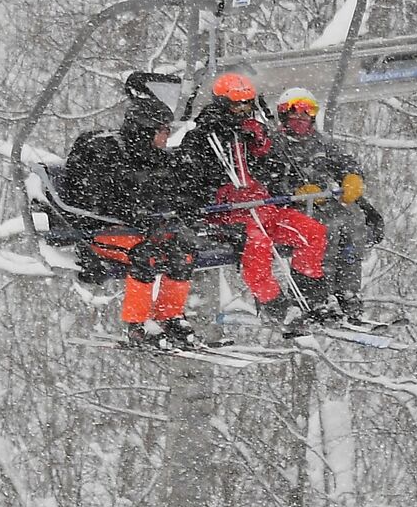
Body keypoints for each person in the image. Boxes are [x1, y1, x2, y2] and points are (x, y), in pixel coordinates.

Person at [62, 73, 205, 350]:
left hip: (141, 232)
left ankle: (169, 316)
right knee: (146, 256)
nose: (166, 137)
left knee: (183, 251)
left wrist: (185, 206)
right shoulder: (107, 155)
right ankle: (138, 325)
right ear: (144, 131)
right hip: (102, 235)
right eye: (162, 131)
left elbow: (175, 191)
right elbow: (97, 201)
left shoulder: (155, 158)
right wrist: (136, 213)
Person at [180, 73, 329, 320]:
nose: (242, 109)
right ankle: (275, 307)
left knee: (312, 232)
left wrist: (261, 147)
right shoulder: (202, 137)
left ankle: (311, 298)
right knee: (258, 247)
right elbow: (191, 181)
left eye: (247, 103)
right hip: (230, 213)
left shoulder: (255, 131)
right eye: (236, 103)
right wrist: (219, 193)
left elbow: (277, 172)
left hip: (263, 205)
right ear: (222, 103)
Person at [268, 88, 385, 321]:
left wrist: (351, 176)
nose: (301, 118)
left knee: (352, 223)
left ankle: (347, 291)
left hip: (322, 201)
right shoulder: (275, 144)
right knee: (326, 230)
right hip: (293, 207)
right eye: (295, 112)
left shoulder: (320, 142)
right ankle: (319, 294)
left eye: (307, 112)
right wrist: (293, 191)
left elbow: (343, 162)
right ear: (283, 115)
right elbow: (267, 177)